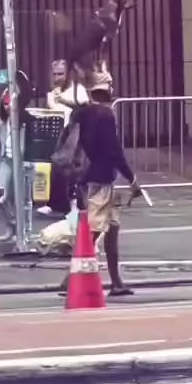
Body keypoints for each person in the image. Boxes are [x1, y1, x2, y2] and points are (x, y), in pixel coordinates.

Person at [60, 70, 141, 297]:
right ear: (105, 89)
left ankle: (116, 282)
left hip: (92, 177)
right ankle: (69, 279)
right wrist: (132, 178)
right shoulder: (104, 115)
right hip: (101, 179)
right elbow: (114, 150)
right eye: (110, 84)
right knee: (93, 232)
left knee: (112, 229)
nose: (113, 87)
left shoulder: (85, 113)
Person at [37, 60, 88, 217]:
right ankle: (56, 204)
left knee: (73, 169)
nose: (57, 77)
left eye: (61, 74)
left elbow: (83, 105)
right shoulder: (51, 93)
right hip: (59, 133)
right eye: (54, 74)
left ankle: (76, 204)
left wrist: (63, 100)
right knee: (56, 167)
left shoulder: (78, 89)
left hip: (76, 131)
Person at [0, 89, 34, 244]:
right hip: (7, 160)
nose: (7, 106)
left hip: (23, 162)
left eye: (10, 103)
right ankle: (13, 223)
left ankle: (25, 231)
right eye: (5, 103)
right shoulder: (2, 122)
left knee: (23, 200)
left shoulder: (25, 121)